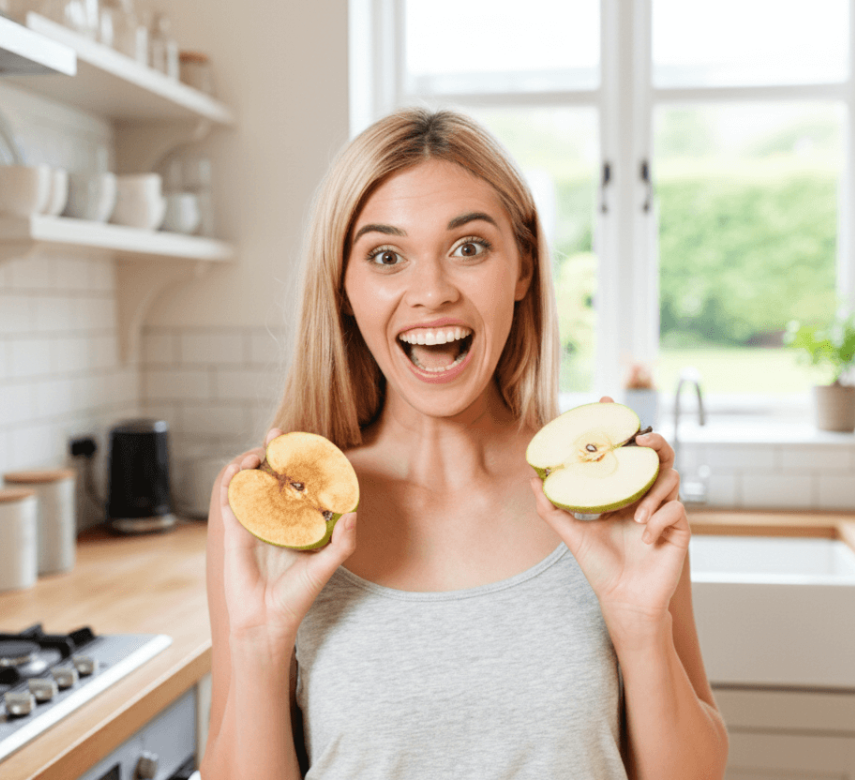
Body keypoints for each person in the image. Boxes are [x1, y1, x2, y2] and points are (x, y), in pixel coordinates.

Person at [202, 108, 729, 780]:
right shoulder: (276, 515)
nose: (431, 293)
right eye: (386, 256)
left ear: (523, 269)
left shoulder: (611, 494)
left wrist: (640, 624)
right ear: (343, 288)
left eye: (469, 248)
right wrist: (259, 642)